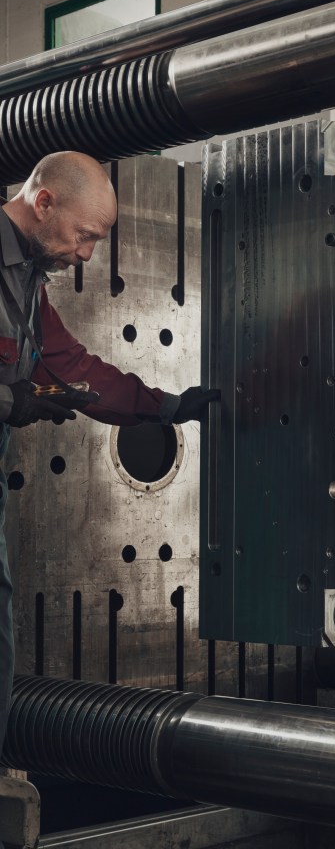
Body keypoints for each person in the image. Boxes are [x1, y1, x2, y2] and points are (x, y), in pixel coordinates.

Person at [0, 150, 218, 778]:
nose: (89, 254)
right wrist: (9, 398)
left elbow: (76, 371)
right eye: (85, 235)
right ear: (44, 202)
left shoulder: (27, 287)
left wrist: (168, 406)